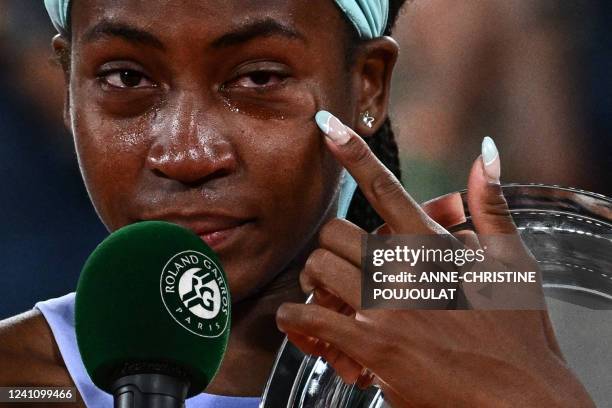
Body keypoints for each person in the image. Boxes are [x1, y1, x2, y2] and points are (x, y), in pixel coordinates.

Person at [0, 1, 595, 407]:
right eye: (126, 78)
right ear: (68, 84)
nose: (186, 152)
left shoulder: (536, 344)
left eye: (258, 78)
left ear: (368, 85)